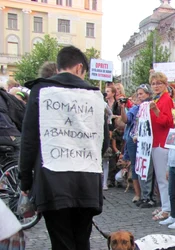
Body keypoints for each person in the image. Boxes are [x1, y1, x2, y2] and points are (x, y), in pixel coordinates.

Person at [19, 45, 109, 249]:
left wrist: (25, 180)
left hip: (53, 181)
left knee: (61, 241)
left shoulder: (41, 90)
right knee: (82, 240)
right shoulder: (94, 94)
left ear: (60, 66)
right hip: (86, 180)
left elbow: (29, 139)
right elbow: (102, 141)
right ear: (79, 68)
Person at [148, 72, 175, 218]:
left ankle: (167, 208)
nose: (156, 86)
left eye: (159, 83)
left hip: (162, 142)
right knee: (160, 178)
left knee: (163, 178)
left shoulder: (166, 100)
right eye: (153, 83)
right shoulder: (157, 99)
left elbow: (167, 121)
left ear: (165, 85)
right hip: (156, 141)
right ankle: (165, 204)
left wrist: (155, 110)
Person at [121, 84, 153, 203]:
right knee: (136, 166)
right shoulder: (135, 108)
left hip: (147, 140)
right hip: (133, 140)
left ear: (148, 94)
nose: (139, 96)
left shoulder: (151, 105)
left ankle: (148, 194)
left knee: (148, 167)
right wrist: (122, 108)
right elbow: (126, 120)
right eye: (138, 94)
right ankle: (138, 193)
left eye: (141, 94)